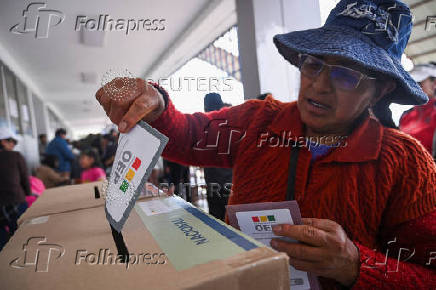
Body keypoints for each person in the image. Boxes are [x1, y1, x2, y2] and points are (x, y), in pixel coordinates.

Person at [96, 0, 436, 288]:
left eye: (346, 74)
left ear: (382, 89)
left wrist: (355, 264)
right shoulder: (257, 122)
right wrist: (156, 105)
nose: (318, 85)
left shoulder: (406, 165)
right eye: (313, 64)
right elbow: (190, 136)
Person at [203, 93, 233, 221]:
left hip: (212, 182)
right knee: (232, 222)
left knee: (217, 220)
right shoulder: (230, 125)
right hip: (229, 182)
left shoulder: (203, 127)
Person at [0, 127, 29, 251]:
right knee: (23, 235)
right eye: (12, 141)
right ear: (3, 142)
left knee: (2, 241)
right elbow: (24, 179)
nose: (14, 144)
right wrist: (28, 193)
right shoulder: (16, 156)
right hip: (15, 200)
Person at [399, 64, 436, 158]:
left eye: (419, 82)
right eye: (412, 83)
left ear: (434, 84)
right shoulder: (405, 115)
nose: (414, 87)